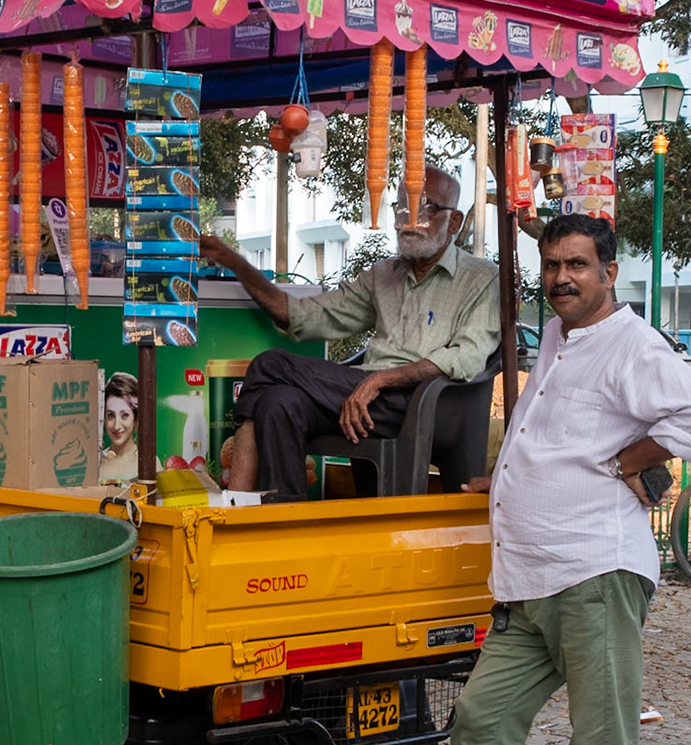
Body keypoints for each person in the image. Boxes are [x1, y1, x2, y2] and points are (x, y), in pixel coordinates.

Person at [404, 213, 691, 745]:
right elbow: (553, 429)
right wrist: (509, 475)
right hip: (528, 578)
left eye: (577, 265)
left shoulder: (633, 344)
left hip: (595, 572)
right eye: (551, 266)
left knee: (599, 742)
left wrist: (633, 462)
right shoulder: (557, 334)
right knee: (480, 724)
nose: (562, 279)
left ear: (609, 271)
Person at [196, 167, 499, 502]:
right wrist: (233, 261)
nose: (408, 220)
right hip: (367, 400)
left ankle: (235, 501)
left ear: (454, 222)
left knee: (268, 364)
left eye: (423, 208)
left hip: (431, 402)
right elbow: (305, 316)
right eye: (402, 207)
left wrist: (382, 380)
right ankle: (284, 520)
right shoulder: (384, 275)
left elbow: (468, 357)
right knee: (276, 402)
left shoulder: (483, 279)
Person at [100, 371, 140, 484]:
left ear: (136, 419)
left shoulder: (148, 465)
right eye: (110, 415)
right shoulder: (95, 464)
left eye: (125, 415)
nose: (116, 426)